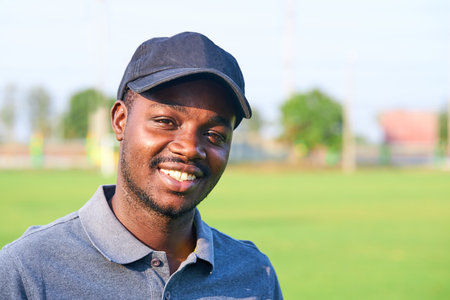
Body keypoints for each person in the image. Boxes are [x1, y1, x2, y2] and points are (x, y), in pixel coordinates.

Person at [0, 32, 283, 299]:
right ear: (120, 121)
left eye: (214, 135)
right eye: (166, 122)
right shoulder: (26, 270)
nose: (189, 148)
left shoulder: (254, 274)